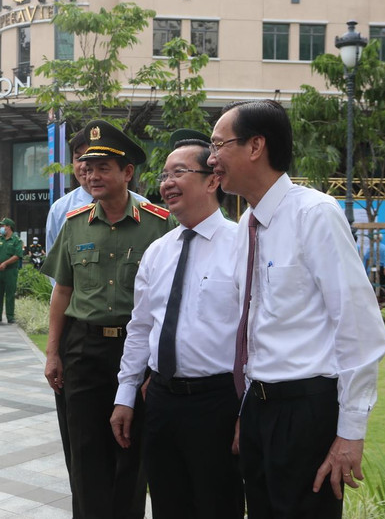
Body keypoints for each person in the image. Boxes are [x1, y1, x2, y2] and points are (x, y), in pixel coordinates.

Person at [207, 100, 385, 517]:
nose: (211, 158)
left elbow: (358, 327)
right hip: (259, 408)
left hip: (305, 412)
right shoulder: (246, 226)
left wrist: (350, 433)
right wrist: (247, 409)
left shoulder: (316, 214)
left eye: (218, 145)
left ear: (256, 146)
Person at [42, 119, 176, 519]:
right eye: (87, 168)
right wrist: (52, 353)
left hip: (138, 352)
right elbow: (62, 292)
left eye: (103, 168)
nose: (92, 175)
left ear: (127, 172)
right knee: (85, 454)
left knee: (131, 451)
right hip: (84, 349)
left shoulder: (159, 223)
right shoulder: (74, 224)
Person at [110, 133, 244, 518]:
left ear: (212, 180)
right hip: (161, 400)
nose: (166, 183)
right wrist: (125, 395)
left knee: (218, 506)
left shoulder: (242, 245)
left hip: (218, 403)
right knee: (168, 505)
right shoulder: (158, 251)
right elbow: (140, 328)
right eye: (164, 175)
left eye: (179, 172)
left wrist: (247, 411)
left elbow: (256, 334)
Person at [45, 129, 148, 252]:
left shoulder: (143, 210)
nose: (84, 166)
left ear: (127, 172)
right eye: (79, 158)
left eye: (101, 166)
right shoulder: (60, 210)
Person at [0, 218, 22, 324]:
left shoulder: (16, 240)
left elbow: (17, 255)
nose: (1, 228)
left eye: (3, 226)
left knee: (10, 294)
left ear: (9, 227)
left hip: (10, 271)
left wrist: (5, 264)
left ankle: (10, 316)